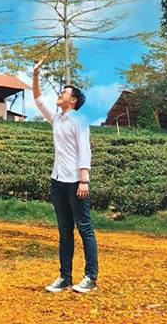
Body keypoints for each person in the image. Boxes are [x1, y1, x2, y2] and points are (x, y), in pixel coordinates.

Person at [33, 54, 99, 295]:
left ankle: (90, 277)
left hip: (76, 182)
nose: (59, 95)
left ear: (73, 101)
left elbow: (85, 151)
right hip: (58, 180)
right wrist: (35, 73)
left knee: (84, 228)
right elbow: (39, 100)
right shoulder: (57, 119)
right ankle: (65, 276)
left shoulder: (79, 120)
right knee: (64, 230)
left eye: (64, 93)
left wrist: (84, 179)